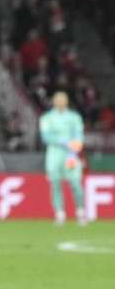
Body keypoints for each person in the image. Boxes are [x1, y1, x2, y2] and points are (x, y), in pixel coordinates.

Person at [39, 91, 86, 226]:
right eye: (57, 100)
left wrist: (75, 147)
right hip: (54, 154)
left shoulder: (74, 117)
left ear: (66, 101)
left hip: (71, 154)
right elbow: (45, 137)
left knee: (76, 184)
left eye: (62, 100)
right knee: (55, 184)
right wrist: (63, 141)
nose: (60, 102)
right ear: (54, 101)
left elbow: (79, 134)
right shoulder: (46, 118)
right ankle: (59, 213)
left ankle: (80, 212)